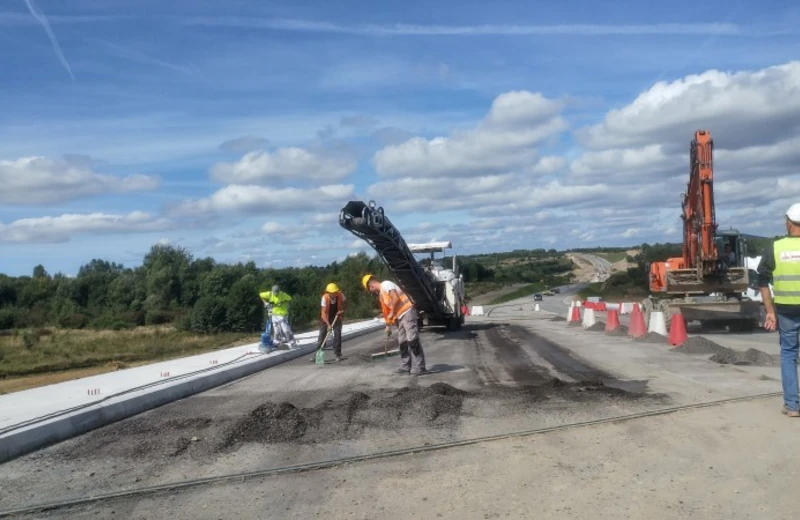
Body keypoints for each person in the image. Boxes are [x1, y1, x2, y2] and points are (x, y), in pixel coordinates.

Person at [757, 202, 800, 418]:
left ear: (789, 223)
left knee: (789, 355)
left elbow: (762, 280)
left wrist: (769, 311)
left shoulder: (775, 248)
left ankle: (793, 406)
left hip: (786, 311)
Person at [362, 274, 427, 375]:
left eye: (370, 290)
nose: (372, 292)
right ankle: (405, 366)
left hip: (407, 312)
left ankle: (420, 366)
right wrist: (388, 325)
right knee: (403, 342)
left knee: (412, 340)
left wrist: (392, 311)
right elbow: (386, 311)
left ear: (371, 286)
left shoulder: (386, 284)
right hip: (400, 317)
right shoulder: (381, 295)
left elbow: (395, 298)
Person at [311, 283, 347, 363]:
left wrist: (342, 310)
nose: (334, 293)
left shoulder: (340, 294)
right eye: (333, 292)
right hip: (326, 319)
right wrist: (328, 325)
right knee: (322, 337)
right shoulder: (325, 298)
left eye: (335, 292)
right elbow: (323, 313)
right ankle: (318, 354)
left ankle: (337, 354)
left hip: (337, 318)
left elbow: (346, 303)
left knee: (337, 335)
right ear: (329, 292)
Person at [259, 284, 298, 348]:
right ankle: (276, 341)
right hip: (274, 314)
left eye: (277, 292)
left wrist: (282, 302)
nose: (275, 294)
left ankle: (292, 341)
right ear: (272, 291)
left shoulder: (282, 294)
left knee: (285, 329)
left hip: (283, 314)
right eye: (274, 292)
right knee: (276, 329)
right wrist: (265, 302)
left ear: (279, 291)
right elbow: (260, 295)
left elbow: (290, 299)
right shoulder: (269, 294)